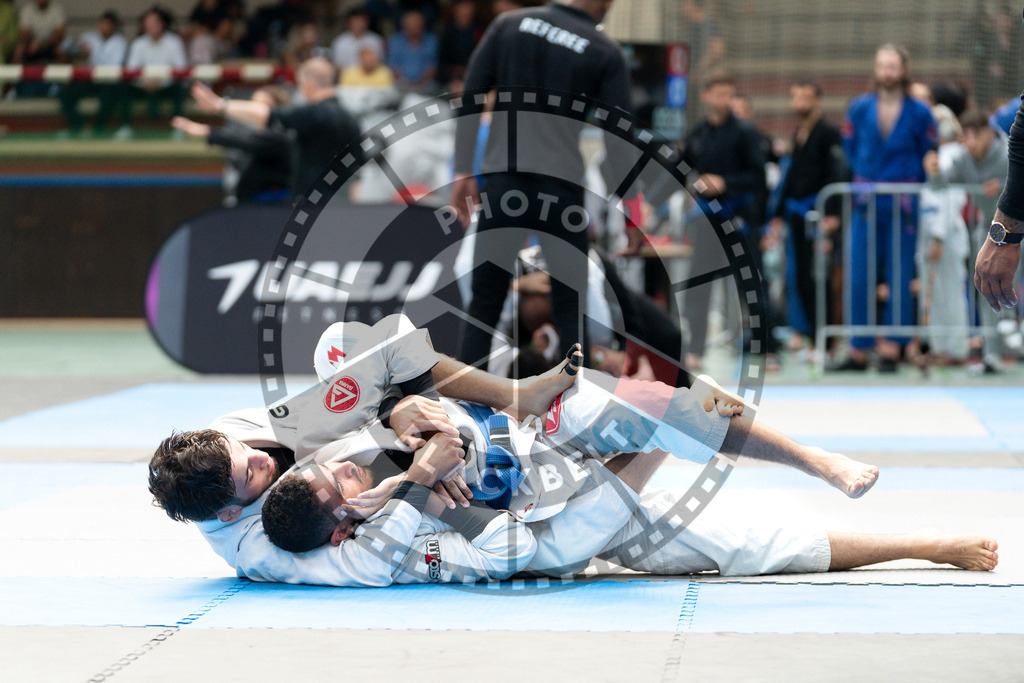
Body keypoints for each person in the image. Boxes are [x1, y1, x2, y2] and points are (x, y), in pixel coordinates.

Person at [450, 0, 637, 371]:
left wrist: (461, 170)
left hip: (505, 182)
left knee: (484, 303)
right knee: (570, 306)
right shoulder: (604, 50)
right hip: (561, 188)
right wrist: (630, 208)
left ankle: (465, 412)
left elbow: (471, 96)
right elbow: (619, 137)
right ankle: (570, 410)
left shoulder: (509, 25)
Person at [837, 44, 937, 371]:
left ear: (904, 70)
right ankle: (859, 349)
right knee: (858, 274)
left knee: (900, 274)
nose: (887, 72)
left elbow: (928, 153)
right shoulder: (859, 108)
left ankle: (894, 347)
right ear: (876, 69)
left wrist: (909, 182)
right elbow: (850, 148)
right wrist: (867, 175)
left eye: (893, 66)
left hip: (903, 203)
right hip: (867, 199)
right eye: (882, 65)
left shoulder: (920, 112)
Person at [680, 72, 769, 371]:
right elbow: (681, 170)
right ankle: (695, 348)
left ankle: (762, 349)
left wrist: (724, 183)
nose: (724, 100)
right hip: (706, 220)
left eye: (728, 94)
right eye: (718, 94)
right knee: (698, 286)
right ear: (706, 96)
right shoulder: (698, 133)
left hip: (738, 218)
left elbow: (758, 177)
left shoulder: (745, 133)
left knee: (750, 284)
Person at [190, 57, 361, 199]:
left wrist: (220, 104)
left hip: (313, 208)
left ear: (309, 84)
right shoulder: (350, 119)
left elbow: (268, 116)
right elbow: (357, 169)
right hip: (342, 206)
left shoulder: (314, 113)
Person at [767, 80, 847, 354]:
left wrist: (833, 212)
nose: (800, 101)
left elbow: (837, 172)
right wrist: (777, 215)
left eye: (806, 96)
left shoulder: (827, 132)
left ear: (818, 101)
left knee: (819, 278)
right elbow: (790, 177)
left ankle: (825, 342)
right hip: (797, 214)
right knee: (800, 276)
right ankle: (812, 336)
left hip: (819, 214)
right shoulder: (800, 131)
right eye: (796, 96)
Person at [931, 108, 1009, 370]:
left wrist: (1006, 189)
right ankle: (992, 355)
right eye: (967, 136)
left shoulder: (1010, 153)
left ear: (989, 133)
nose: (972, 142)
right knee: (989, 290)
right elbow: (942, 185)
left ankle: (1008, 345)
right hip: (988, 232)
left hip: (1017, 232)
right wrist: (934, 173)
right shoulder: (964, 159)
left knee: (1008, 290)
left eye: (977, 135)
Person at [171, 85, 294, 205]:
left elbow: (243, 140)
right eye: (252, 105)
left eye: (262, 106)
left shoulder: (283, 136)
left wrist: (206, 130)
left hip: (273, 204)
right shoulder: (260, 133)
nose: (253, 110)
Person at [918, 106, 971, 364]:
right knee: (934, 295)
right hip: (929, 232)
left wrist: (939, 236)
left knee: (951, 293)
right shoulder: (934, 154)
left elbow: (953, 199)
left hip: (948, 235)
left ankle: (958, 350)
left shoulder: (955, 156)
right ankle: (939, 347)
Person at [116, 6, 187, 140]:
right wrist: (144, 82)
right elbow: (131, 70)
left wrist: (162, 81)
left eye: (154, 23)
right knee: (124, 89)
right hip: (144, 85)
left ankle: (179, 128)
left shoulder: (174, 42)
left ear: (162, 24)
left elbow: (181, 69)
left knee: (179, 90)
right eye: (147, 24)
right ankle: (125, 127)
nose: (151, 27)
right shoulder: (139, 43)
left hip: (167, 85)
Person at [59, 10, 127, 137]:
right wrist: (79, 51)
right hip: (91, 80)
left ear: (114, 26)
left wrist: (92, 53)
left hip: (109, 82)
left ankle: (98, 128)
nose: (103, 27)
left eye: (107, 24)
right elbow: (67, 49)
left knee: (109, 98)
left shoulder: (120, 42)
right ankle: (80, 125)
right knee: (65, 94)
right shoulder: (89, 37)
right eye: (101, 23)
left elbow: (114, 66)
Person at [386, 9, 438, 91]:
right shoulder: (395, 40)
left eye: (419, 22)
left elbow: (432, 66)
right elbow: (393, 66)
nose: (417, 25)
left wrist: (420, 83)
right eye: (413, 22)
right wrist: (406, 83)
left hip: (426, 83)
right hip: (401, 83)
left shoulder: (431, 40)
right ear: (405, 25)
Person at [11, 0, 64, 64]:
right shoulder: (27, 10)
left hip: (50, 45)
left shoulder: (56, 10)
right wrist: (31, 43)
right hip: (31, 45)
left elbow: (59, 33)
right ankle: (15, 73)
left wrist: (42, 44)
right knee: (19, 50)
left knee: (61, 50)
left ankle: (63, 73)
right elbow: (24, 33)